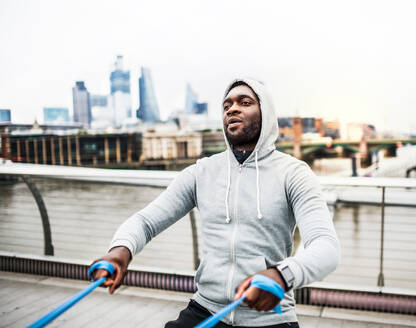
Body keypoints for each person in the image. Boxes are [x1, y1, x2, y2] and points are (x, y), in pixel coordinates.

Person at [92, 78, 340, 327]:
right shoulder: (202, 172)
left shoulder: (293, 173)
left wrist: (282, 275)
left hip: (270, 317)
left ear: (266, 113)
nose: (232, 109)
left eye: (245, 102)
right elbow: (145, 222)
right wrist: (120, 250)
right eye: (227, 105)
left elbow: (326, 246)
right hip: (205, 309)